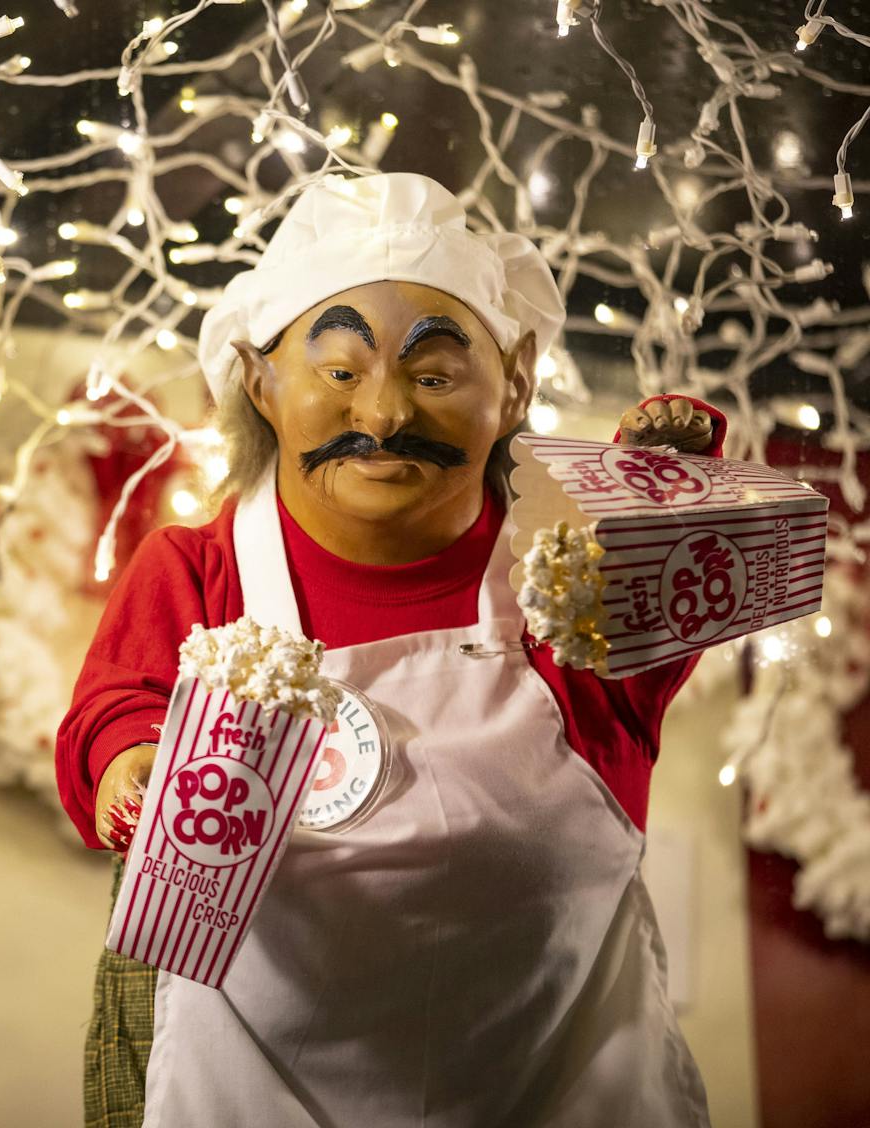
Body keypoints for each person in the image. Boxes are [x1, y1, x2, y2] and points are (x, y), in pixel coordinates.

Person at [57, 172, 724, 1128]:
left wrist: (655, 504)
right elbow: (115, 713)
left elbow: (658, 609)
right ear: (261, 383)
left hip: (557, 1084)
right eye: (339, 372)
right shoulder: (197, 571)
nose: (383, 415)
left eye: (436, 375)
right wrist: (135, 767)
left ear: (518, 382)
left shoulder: (562, 578)